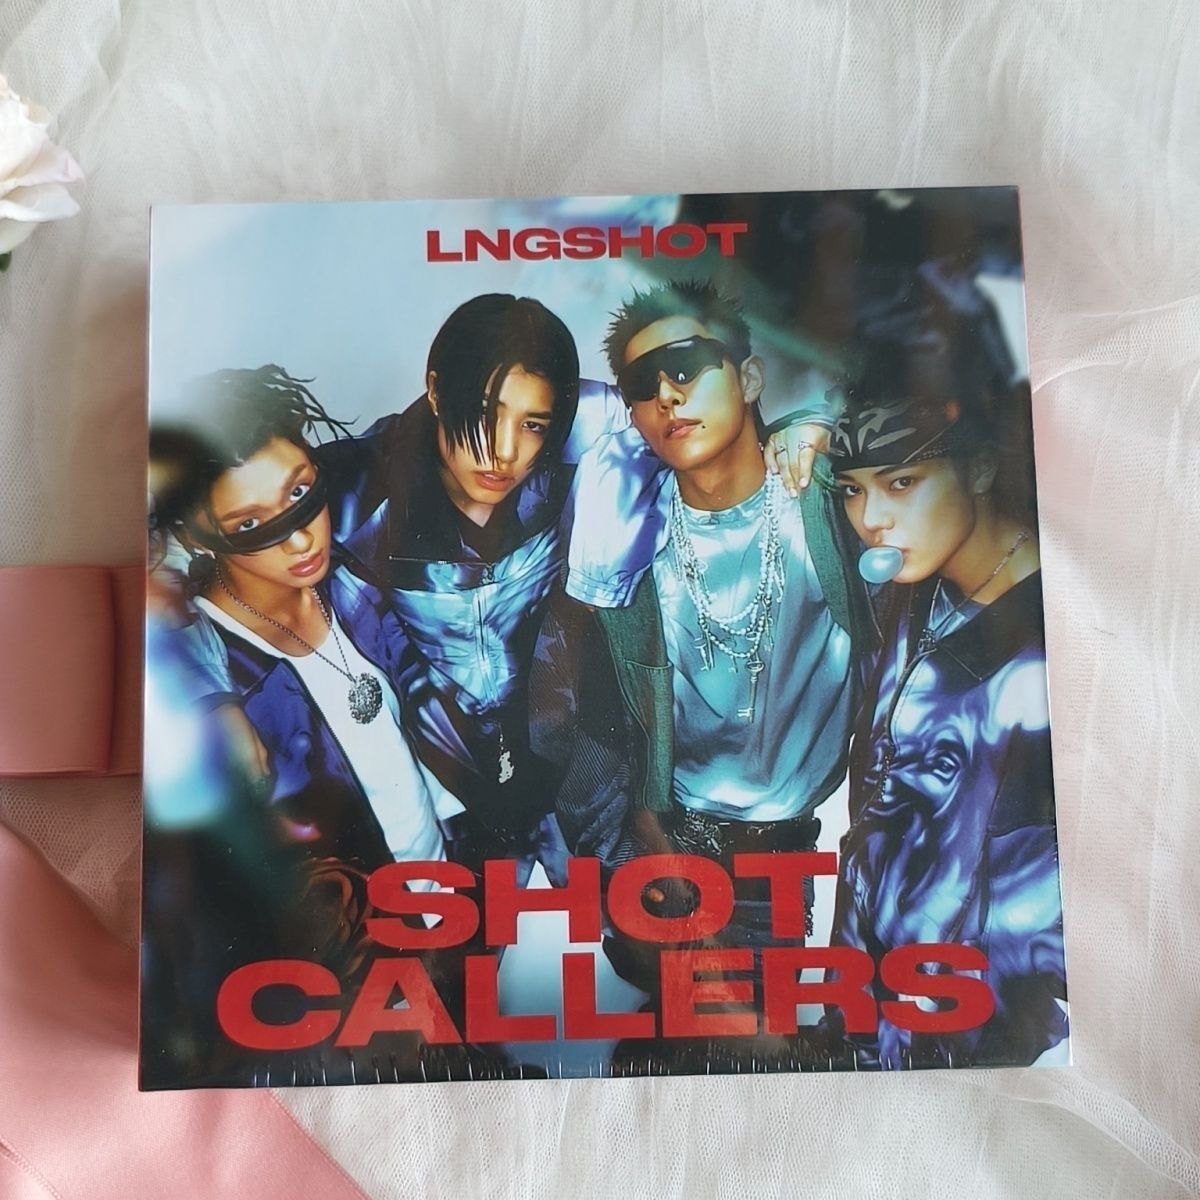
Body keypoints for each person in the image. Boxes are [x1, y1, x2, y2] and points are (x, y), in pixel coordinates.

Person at [530, 280, 870, 1072]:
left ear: (748, 378)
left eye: (687, 365)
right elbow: (583, 710)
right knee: (698, 1063)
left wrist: (829, 418)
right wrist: (637, 848)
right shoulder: (625, 537)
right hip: (663, 850)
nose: (667, 394)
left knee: (747, 1068)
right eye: (641, 384)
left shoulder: (828, 504)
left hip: (779, 855)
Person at [144, 366, 483, 1085]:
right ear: (197, 536)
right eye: (250, 526)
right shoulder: (201, 669)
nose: (300, 538)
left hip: (455, 901)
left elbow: (430, 424)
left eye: (301, 493)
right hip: (345, 975)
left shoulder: (348, 572)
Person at [824, 310, 1068, 1070]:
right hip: (868, 994)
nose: (872, 518)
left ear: (981, 469)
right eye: (853, 490)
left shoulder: (1056, 640)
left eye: (901, 483)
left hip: (987, 1036)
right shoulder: (908, 584)